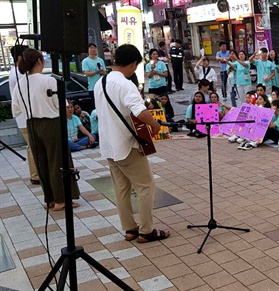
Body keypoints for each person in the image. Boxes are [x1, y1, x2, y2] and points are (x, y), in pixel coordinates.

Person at [94, 44, 170, 243]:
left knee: (121, 189)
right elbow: (140, 111)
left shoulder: (100, 82)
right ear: (133, 63)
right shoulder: (125, 85)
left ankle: (130, 229)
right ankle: (146, 231)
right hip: (126, 145)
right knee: (146, 186)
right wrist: (154, 125)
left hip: (109, 146)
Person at [11, 49, 81, 211]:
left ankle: (49, 199)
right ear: (39, 61)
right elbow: (61, 105)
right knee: (57, 161)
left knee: (41, 162)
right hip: (51, 123)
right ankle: (60, 200)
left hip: (31, 124)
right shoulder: (48, 81)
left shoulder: (21, 83)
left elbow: (16, 110)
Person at [9, 45, 38, 184]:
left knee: (31, 146)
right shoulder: (19, 74)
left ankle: (35, 174)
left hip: (24, 117)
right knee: (34, 146)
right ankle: (36, 175)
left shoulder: (14, 72)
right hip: (26, 117)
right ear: (20, 57)